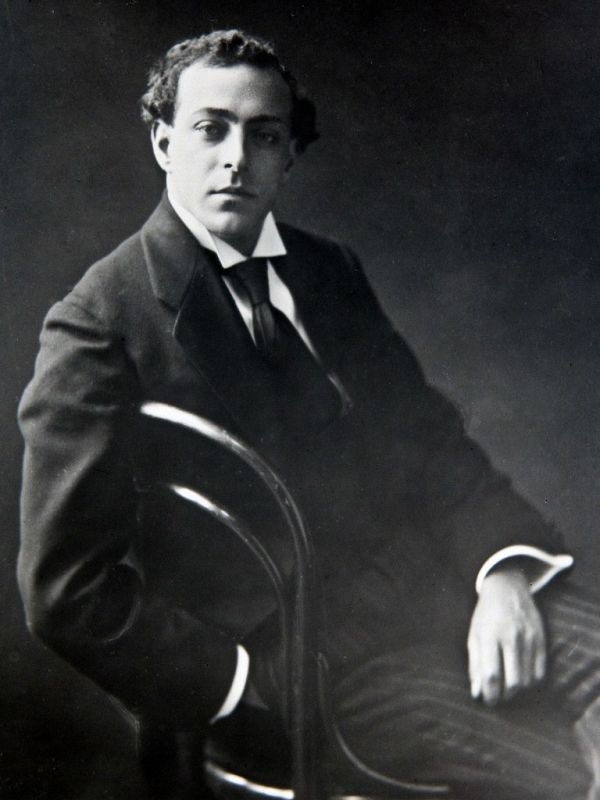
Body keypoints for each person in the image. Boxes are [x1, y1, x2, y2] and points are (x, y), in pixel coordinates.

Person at [16, 29, 600, 800]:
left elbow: (427, 439)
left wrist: (503, 573)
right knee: (564, 778)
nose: (236, 158)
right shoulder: (98, 322)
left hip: (445, 588)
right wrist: (239, 683)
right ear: (162, 142)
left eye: (264, 136)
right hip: (311, 670)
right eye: (210, 128)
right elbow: (65, 590)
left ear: (289, 155)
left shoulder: (327, 270)